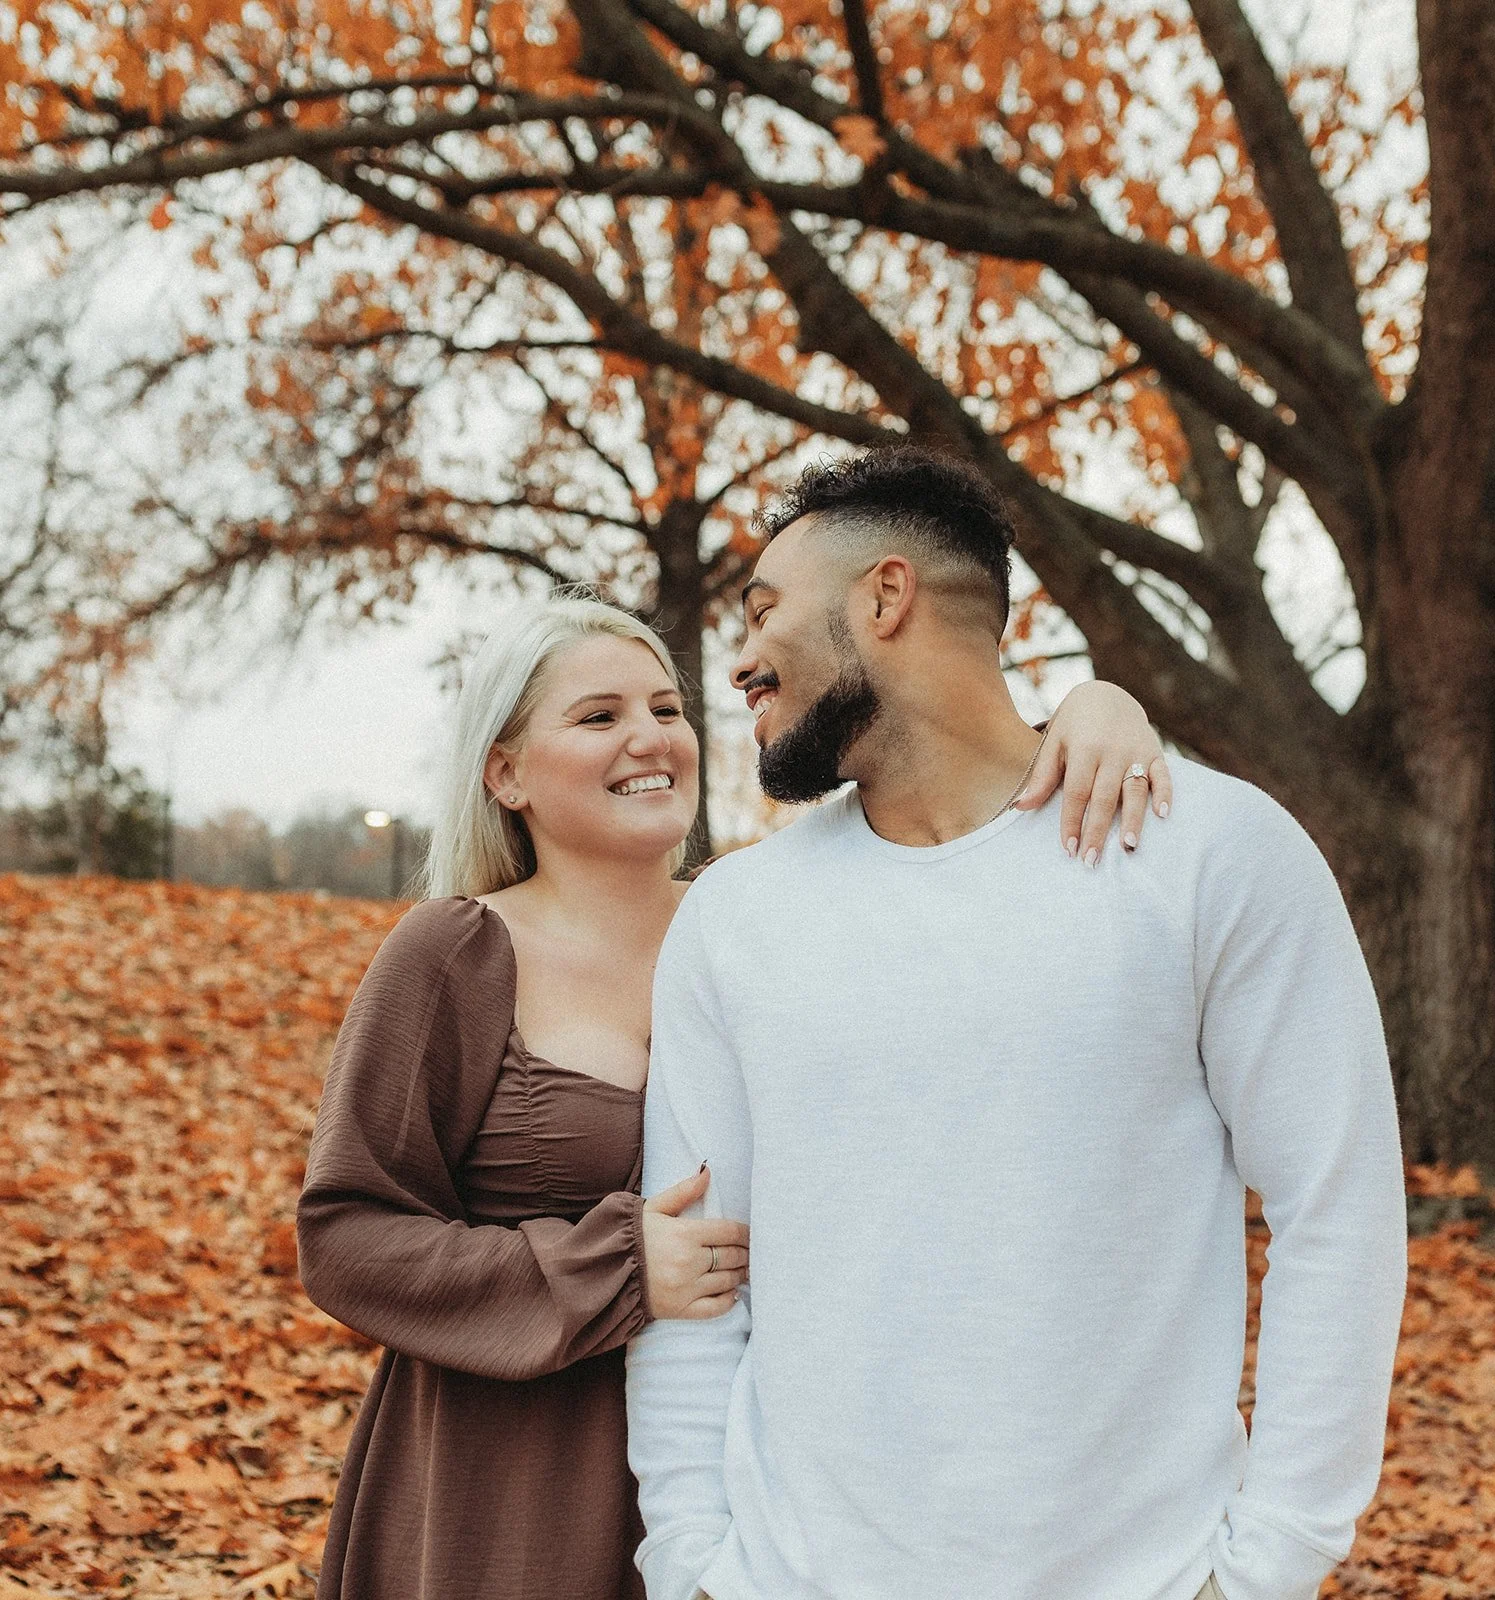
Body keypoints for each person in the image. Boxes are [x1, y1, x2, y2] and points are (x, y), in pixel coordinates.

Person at [627, 447, 1410, 1600]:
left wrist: (1269, 1564)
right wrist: (695, 1563)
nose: (738, 659)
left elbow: (1336, 1207)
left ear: (883, 597)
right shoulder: (734, 921)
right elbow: (699, 1271)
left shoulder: (1210, 855)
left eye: (764, 610)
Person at [295, 586, 1170, 1600]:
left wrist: (1094, 708)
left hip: (764, 1480)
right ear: (506, 772)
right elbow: (348, 1237)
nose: (649, 738)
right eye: (599, 716)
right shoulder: (453, 955)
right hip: (509, 1486)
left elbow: (948, 814)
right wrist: (613, 1268)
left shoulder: (766, 918)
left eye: (666, 710)